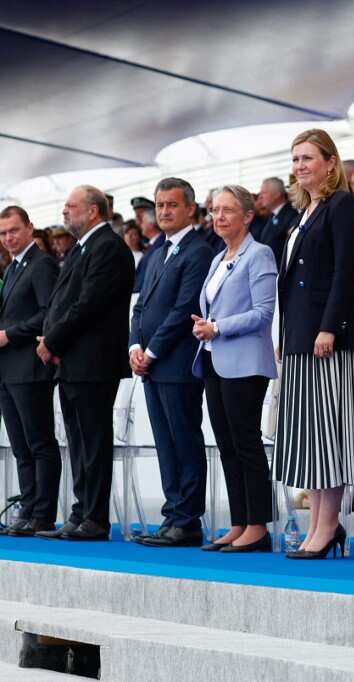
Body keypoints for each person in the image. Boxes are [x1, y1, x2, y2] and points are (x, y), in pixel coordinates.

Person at [272, 128, 354, 560]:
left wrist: (330, 326)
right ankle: (317, 522)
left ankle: (328, 525)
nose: (300, 166)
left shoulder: (342, 206)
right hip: (299, 337)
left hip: (328, 337)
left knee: (330, 434)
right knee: (308, 437)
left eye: (308, 158)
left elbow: (346, 273)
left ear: (331, 162)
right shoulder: (304, 212)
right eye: (295, 159)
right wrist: (284, 336)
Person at [36, 185, 136, 541]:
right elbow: (61, 302)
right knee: (78, 442)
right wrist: (51, 338)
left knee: (93, 442)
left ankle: (94, 518)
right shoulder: (83, 248)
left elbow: (88, 304)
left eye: (71, 206)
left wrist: (54, 340)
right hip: (73, 360)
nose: (64, 212)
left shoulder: (108, 247)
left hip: (93, 362)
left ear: (93, 211)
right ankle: (80, 513)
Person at [192, 185, 277, 553]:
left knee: (246, 443)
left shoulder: (259, 255)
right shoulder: (218, 257)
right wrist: (206, 327)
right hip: (213, 357)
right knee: (226, 444)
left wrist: (218, 327)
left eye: (227, 210)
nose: (219, 217)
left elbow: (263, 313)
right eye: (214, 210)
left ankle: (257, 525)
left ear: (247, 215)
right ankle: (239, 522)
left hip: (244, 361)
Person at [129, 178, 214, 548]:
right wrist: (134, 343)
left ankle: (187, 519)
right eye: (160, 205)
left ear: (190, 210)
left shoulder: (198, 251)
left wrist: (151, 352)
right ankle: (172, 514)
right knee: (165, 442)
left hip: (176, 364)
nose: (164, 212)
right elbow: (141, 306)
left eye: (172, 205)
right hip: (151, 364)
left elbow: (183, 311)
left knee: (184, 440)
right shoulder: (155, 252)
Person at [0, 206, 60, 537]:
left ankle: (42, 514)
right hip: (9, 370)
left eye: (13, 230)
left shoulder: (42, 264)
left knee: (39, 443)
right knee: (21, 446)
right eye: (3, 233)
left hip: (30, 367)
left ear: (29, 229)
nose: (8, 238)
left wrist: (10, 334)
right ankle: (28, 508)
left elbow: (48, 314)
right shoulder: (12, 268)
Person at [252, 177, 299, 267]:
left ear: (277, 194)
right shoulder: (272, 215)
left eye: (264, 193)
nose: (260, 196)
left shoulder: (291, 215)